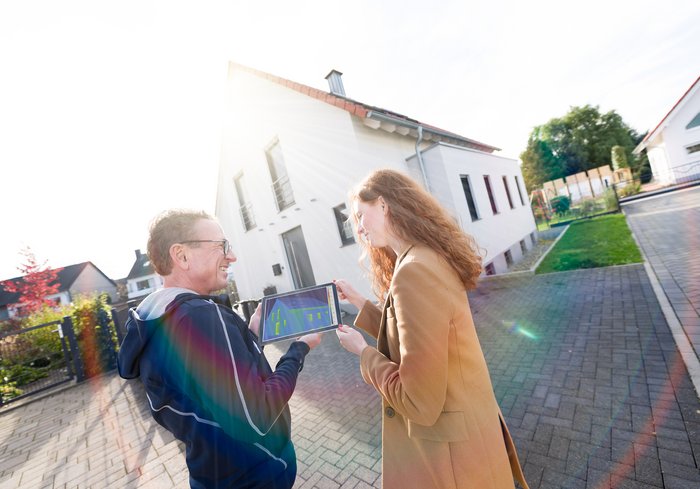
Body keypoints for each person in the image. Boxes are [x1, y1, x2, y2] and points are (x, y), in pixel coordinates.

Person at [334, 169, 529, 489]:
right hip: (470, 447)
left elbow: (417, 403)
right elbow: (415, 330)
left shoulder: (413, 272)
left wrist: (363, 353)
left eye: (360, 215)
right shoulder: (424, 258)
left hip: (451, 465)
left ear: (383, 205)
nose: (358, 228)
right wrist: (360, 303)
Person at [117, 210, 320, 489]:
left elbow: (209, 386)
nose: (232, 256)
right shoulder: (201, 316)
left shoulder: (158, 319)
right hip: (255, 475)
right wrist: (298, 350)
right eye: (221, 246)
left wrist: (249, 335)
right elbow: (257, 418)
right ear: (182, 256)